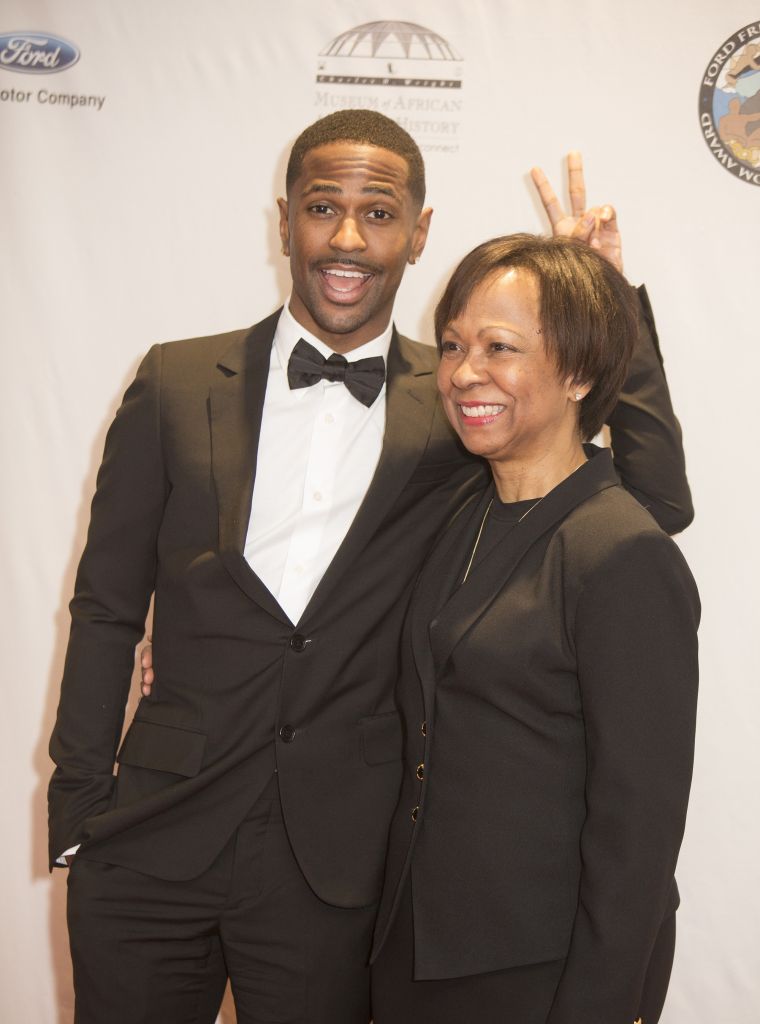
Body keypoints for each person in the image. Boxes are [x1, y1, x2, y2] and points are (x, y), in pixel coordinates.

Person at [49, 109, 691, 1024]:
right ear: (285, 221)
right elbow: (106, 605)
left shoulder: (464, 403)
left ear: (420, 232)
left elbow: (647, 505)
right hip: (152, 839)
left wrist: (602, 301)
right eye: (321, 207)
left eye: (380, 214)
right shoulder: (175, 382)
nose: (347, 238)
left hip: (340, 871)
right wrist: (79, 810)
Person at [369, 234, 699, 1024]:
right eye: (453, 346)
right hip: (415, 948)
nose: (464, 372)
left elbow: (638, 837)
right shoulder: (460, 509)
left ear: (580, 372)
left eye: (499, 347)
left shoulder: (620, 553)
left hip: (540, 974)